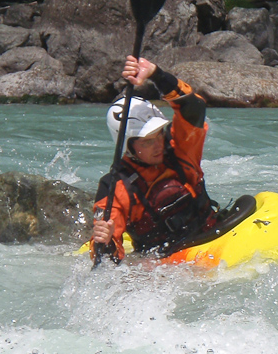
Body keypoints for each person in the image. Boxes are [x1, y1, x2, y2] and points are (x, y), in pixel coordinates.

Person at [90, 56, 217, 263]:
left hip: (212, 237)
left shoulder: (178, 149)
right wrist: (105, 241)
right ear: (129, 146)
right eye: (147, 142)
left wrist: (156, 74)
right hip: (163, 262)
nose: (158, 144)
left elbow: (194, 107)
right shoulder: (115, 186)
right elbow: (105, 260)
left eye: (159, 133)